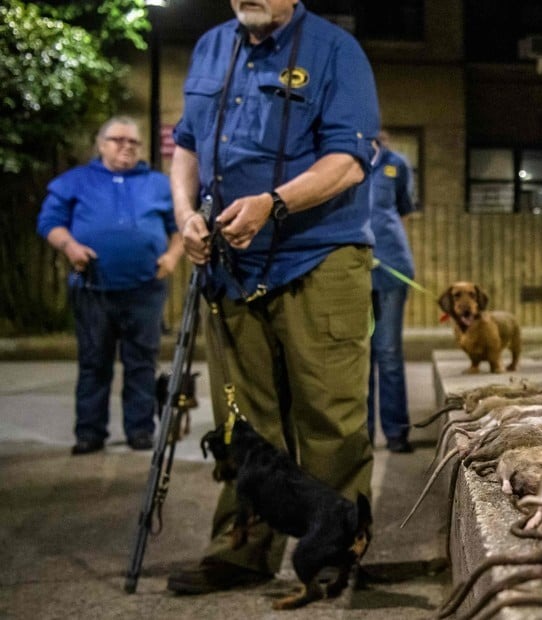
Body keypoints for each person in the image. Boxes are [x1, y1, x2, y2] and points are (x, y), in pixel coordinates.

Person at [164, 0, 380, 595]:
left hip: (318, 256)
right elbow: (185, 145)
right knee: (243, 423)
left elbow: (350, 161)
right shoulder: (212, 47)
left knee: (327, 416)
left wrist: (273, 203)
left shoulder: (336, 51)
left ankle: (337, 550)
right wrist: (184, 215)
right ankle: (241, 549)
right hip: (230, 265)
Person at [35, 116, 181, 455]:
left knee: (142, 362)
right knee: (93, 362)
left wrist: (172, 256)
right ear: (101, 144)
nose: (126, 147)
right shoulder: (75, 182)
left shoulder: (159, 184)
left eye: (133, 142)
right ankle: (89, 432)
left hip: (145, 288)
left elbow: (179, 226)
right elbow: (49, 222)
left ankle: (140, 430)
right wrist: (70, 246)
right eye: (118, 140)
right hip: (93, 289)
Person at [367, 130, 419, 453]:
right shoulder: (342, 159)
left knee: (387, 353)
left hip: (391, 269)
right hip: (353, 274)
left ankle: (396, 432)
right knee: (360, 359)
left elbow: (403, 209)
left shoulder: (395, 164)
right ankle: (362, 435)